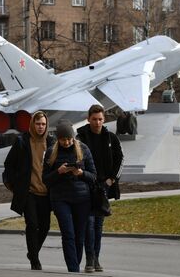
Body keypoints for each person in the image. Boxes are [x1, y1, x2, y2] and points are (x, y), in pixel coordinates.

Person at [3, 110, 54, 270]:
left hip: (46, 193)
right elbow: (9, 165)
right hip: (29, 192)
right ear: (33, 124)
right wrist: (13, 186)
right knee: (32, 224)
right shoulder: (22, 141)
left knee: (45, 226)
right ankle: (35, 261)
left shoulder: (52, 143)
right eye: (38, 124)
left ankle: (33, 252)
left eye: (43, 124)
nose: (40, 127)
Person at [42, 120, 96, 273]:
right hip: (60, 199)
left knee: (79, 235)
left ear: (73, 137)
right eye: (63, 139)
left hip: (82, 199)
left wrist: (81, 173)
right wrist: (58, 172)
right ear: (58, 139)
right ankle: (73, 269)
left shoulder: (83, 149)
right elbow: (45, 179)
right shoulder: (52, 151)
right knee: (68, 234)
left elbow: (93, 176)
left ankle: (75, 265)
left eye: (69, 139)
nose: (66, 142)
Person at [77, 104, 124, 273]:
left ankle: (96, 258)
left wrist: (112, 179)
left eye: (100, 119)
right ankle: (89, 259)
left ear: (104, 120)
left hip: (104, 188)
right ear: (88, 119)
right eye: (94, 119)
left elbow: (120, 159)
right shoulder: (80, 138)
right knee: (88, 224)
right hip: (86, 187)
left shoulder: (111, 137)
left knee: (98, 225)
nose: (97, 122)